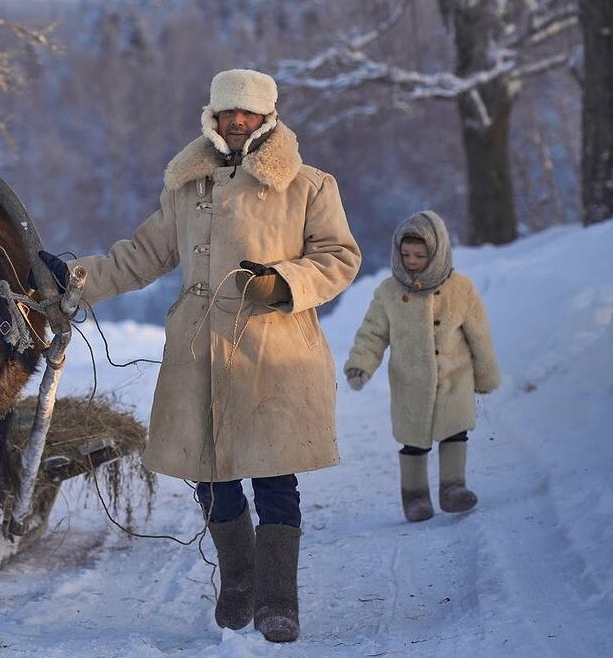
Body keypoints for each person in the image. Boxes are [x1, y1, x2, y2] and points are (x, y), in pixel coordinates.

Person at [38, 69, 361, 643]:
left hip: (273, 351)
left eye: (249, 114)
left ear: (268, 118)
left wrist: (283, 282)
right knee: (209, 474)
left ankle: (277, 600)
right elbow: (142, 254)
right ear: (212, 118)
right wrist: (75, 279)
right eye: (227, 113)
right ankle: (237, 579)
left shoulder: (309, 186)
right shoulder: (188, 187)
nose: (237, 122)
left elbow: (339, 257)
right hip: (198, 351)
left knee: (272, 474)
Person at [343, 210, 500, 523]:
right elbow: (373, 332)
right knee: (413, 442)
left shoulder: (461, 289)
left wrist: (485, 375)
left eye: (420, 254)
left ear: (437, 253)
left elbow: (478, 334)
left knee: (455, 433)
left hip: (453, 378)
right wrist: (361, 364)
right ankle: (415, 497)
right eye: (406, 254)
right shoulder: (389, 292)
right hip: (410, 382)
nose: (412, 261)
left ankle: (453, 489)